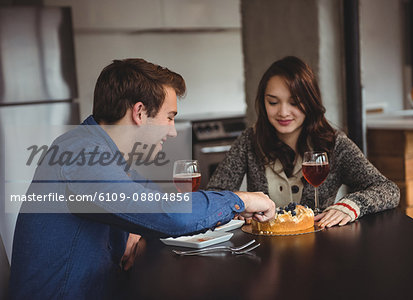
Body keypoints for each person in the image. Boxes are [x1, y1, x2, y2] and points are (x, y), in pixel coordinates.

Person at [9, 58, 275, 299]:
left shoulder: (98, 150)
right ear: (139, 112)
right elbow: (170, 214)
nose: (172, 132)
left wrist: (134, 225)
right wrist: (238, 199)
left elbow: (151, 200)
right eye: (169, 118)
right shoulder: (79, 154)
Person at [207, 56, 400, 228]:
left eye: (294, 102)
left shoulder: (334, 144)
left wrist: (349, 206)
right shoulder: (249, 141)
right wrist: (236, 207)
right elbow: (214, 193)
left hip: (321, 250)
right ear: (263, 102)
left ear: (310, 101)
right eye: (273, 102)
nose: (283, 112)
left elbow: (388, 190)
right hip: (264, 254)